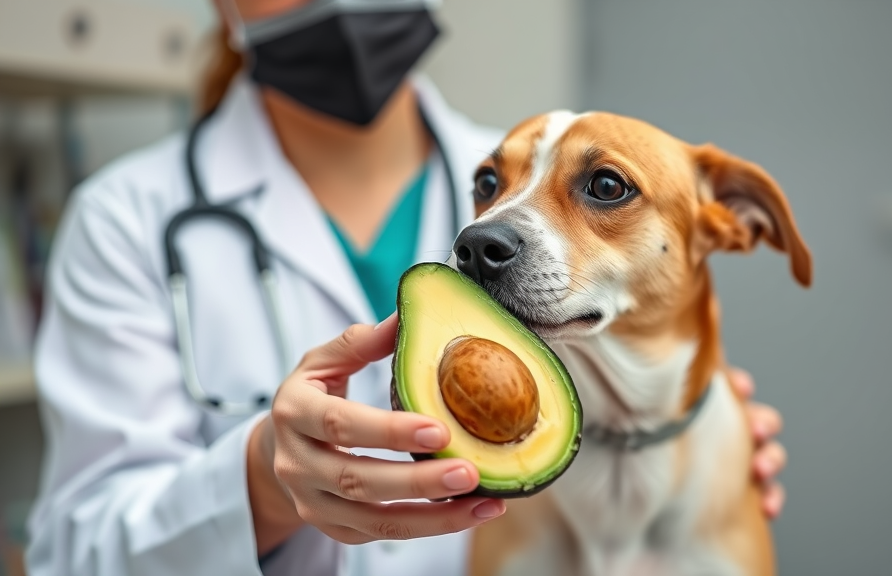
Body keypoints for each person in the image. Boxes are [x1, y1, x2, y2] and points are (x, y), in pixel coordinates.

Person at [25, 0, 788, 574]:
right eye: (489, 187)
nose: (503, 217)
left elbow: (653, 342)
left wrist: (681, 432)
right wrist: (259, 481)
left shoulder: (530, 159)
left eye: (603, 189)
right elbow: (69, 553)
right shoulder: (124, 218)